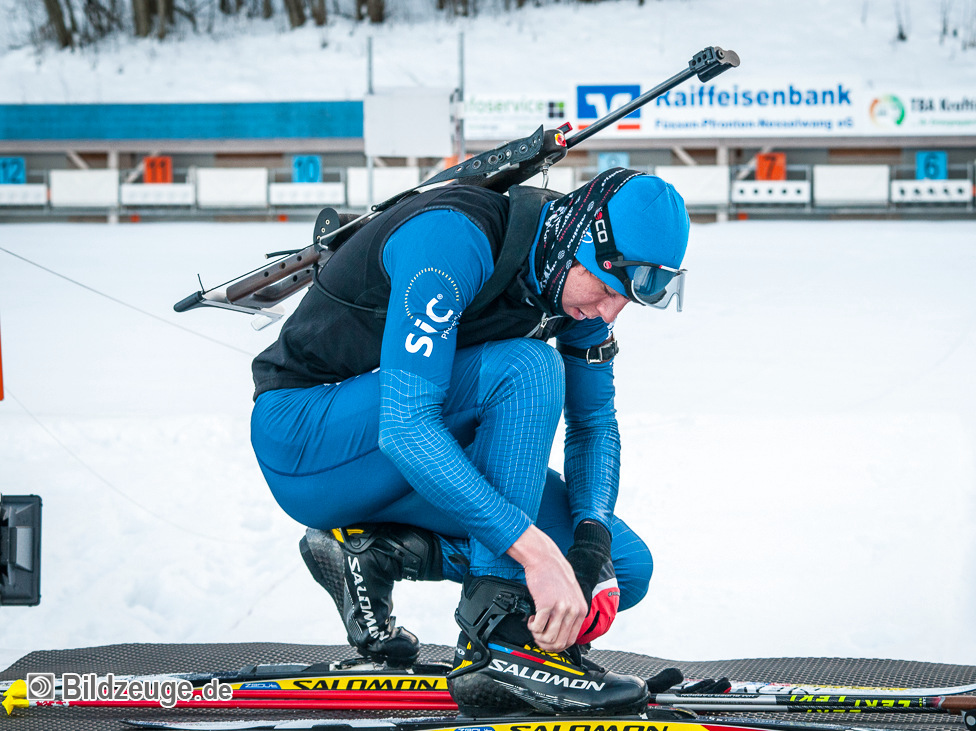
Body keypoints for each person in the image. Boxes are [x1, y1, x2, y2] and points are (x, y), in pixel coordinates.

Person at [249, 167, 690, 716]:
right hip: (307, 441)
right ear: (579, 237)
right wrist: (533, 554)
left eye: (626, 301)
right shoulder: (453, 237)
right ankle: (501, 639)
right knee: (529, 366)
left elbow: (594, 425)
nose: (608, 313)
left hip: (402, 463)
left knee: (621, 570)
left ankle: (372, 553)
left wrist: (589, 544)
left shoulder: (567, 280)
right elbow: (406, 426)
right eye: (605, 289)